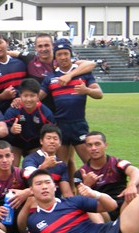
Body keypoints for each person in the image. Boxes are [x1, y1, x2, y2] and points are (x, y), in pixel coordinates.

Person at [40, 39, 103, 167]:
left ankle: (96, 186)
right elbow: (38, 97)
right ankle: (66, 187)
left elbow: (99, 94)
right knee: (61, 165)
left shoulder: (84, 74)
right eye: (59, 54)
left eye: (66, 54)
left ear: (70, 55)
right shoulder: (51, 78)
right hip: (60, 125)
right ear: (55, 57)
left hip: (78, 125)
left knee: (90, 163)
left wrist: (87, 90)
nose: (63, 57)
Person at [74, 131, 139, 220]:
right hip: (103, 211)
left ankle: (126, 222)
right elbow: (79, 202)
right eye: (90, 145)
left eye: (97, 144)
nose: (93, 148)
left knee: (137, 185)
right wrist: (87, 185)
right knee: (86, 206)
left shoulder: (116, 163)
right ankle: (103, 232)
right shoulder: (81, 173)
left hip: (124, 205)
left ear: (105, 145)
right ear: (86, 148)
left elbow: (135, 170)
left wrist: (132, 185)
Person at [3, 78, 55, 165]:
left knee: (36, 166)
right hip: (16, 144)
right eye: (25, 96)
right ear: (20, 95)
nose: (28, 99)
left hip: (35, 145)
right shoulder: (13, 110)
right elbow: (3, 131)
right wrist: (11, 130)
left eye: (32, 96)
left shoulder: (45, 113)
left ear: (38, 96)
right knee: (11, 165)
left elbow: (52, 132)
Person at [22, 124, 73, 198]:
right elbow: (29, 176)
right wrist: (44, 166)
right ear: (41, 141)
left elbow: (67, 193)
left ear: (60, 143)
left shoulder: (61, 165)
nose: (52, 141)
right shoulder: (30, 159)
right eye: (48, 138)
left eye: (55, 139)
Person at [0, 31, 27, 112]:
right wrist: (2, 96)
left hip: (25, 111)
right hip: (3, 113)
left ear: (7, 43)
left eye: (0, 43)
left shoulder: (21, 63)